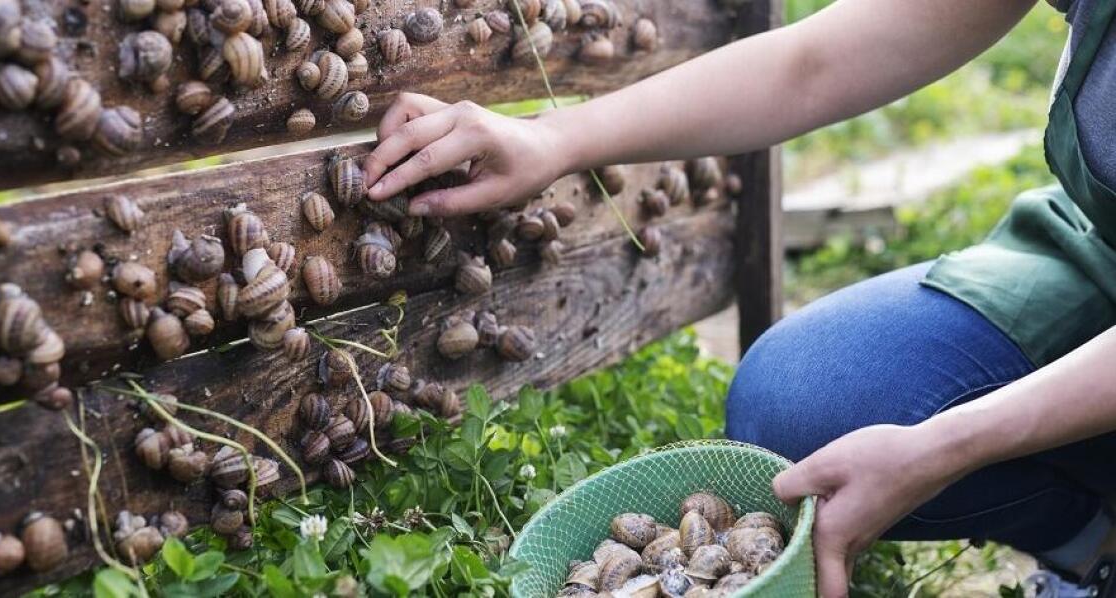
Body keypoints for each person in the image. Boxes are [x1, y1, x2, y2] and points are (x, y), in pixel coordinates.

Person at [360, 0, 1116, 595]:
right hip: (1100, 255)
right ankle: (1097, 546)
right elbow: (816, 63)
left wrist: (946, 445)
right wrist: (557, 139)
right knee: (801, 400)